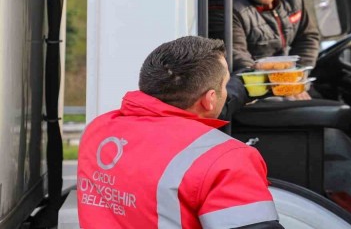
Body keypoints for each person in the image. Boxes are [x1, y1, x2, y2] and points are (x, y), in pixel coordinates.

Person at [77, 36, 284, 228]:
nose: (227, 91)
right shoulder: (226, 159)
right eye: (226, 85)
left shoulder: (99, 129)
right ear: (210, 99)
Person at [210, 0, 320, 100]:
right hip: (249, 91)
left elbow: (308, 37)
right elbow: (238, 60)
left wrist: (297, 78)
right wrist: (279, 86)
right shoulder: (222, 5)